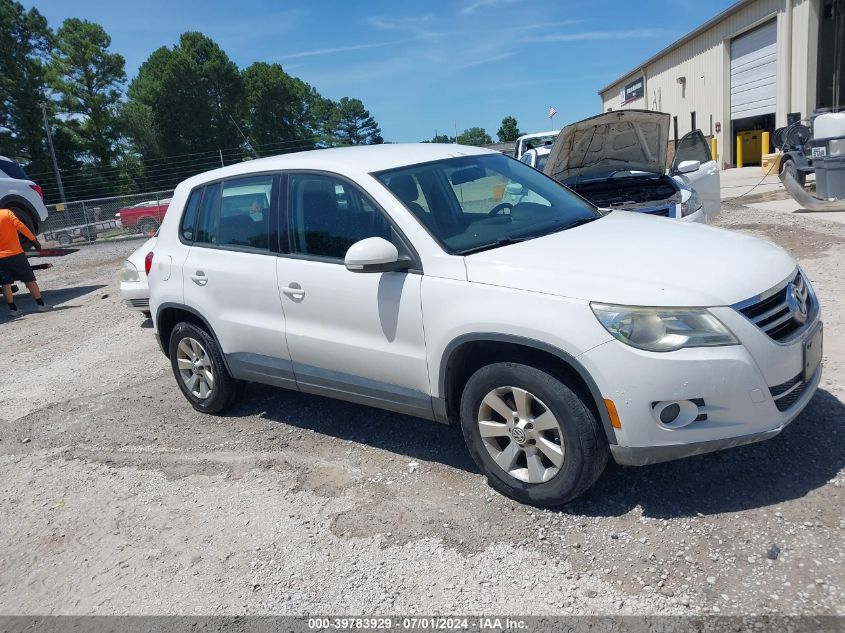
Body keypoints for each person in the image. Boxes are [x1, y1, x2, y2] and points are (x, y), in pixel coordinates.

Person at [0, 208, 49, 316]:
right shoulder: (6, 213)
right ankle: (41, 305)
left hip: (1, 258)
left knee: (6, 283)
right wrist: (34, 240)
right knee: (29, 280)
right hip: (17, 254)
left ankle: (13, 310)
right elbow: (20, 226)